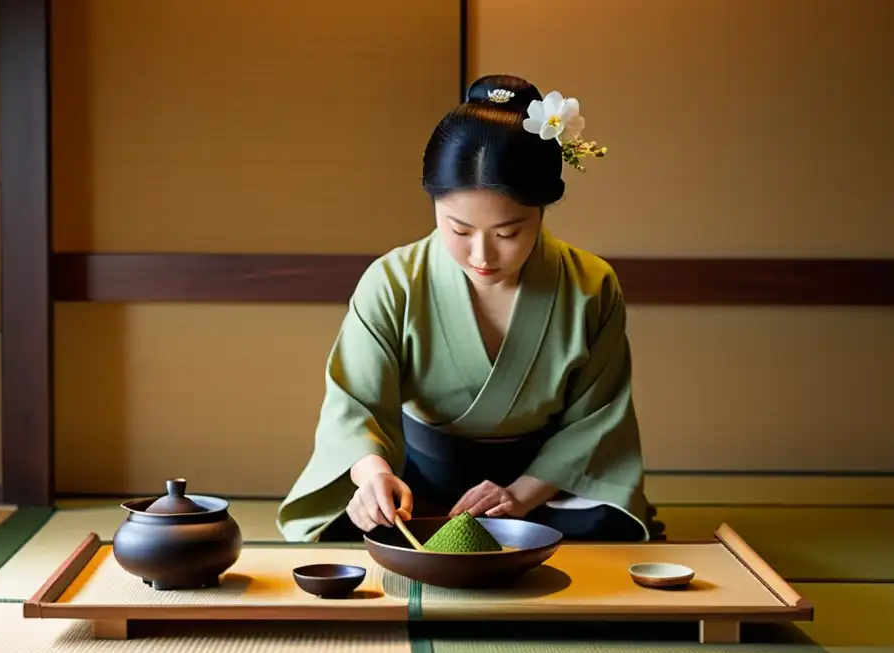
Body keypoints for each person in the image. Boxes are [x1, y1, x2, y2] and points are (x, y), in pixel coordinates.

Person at [277, 74, 652, 544]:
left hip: (545, 488)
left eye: (507, 233)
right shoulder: (393, 282)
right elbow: (354, 405)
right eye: (458, 230)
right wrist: (372, 475)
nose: (481, 255)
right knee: (354, 525)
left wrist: (521, 495)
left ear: (541, 209)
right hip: (418, 484)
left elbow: (599, 419)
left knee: (608, 531)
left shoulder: (591, 286)